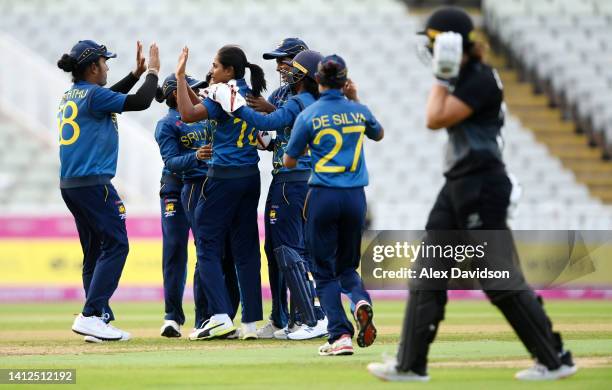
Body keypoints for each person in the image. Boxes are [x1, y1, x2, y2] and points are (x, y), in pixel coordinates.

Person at [367, 7, 577, 382]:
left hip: (482, 183)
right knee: (429, 271)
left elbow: (434, 118)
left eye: (434, 42)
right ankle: (410, 364)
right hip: (459, 184)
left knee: (498, 277)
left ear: (449, 42)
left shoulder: (479, 78)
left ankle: (554, 357)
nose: (429, 50)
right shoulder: (463, 76)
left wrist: (443, 77)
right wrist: (446, 76)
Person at [217, 47, 329, 340]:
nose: (285, 71)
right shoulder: (314, 100)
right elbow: (272, 134)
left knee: (288, 249)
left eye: (291, 66)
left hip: (292, 181)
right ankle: (308, 317)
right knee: (296, 250)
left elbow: (269, 124)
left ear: (303, 74)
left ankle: (313, 319)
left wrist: (236, 107)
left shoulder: (299, 100)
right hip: (306, 180)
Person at [57, 40, 160, 341]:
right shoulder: (93, 95)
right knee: (116, 245)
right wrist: (152, 72)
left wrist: (134, 74)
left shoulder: (73, 94)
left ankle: (97, 317)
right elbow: (140, 102)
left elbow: (108, 96)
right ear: (92, 67)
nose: (107, 67)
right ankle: (90, 315)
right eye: (104, 62)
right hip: (94, 183)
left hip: (72, 185)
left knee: (94, 252)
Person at [284, 54, 384, 355]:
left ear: (318, 80)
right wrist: (355, 99)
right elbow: (378, 133)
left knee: (323, 271)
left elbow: (289, 159)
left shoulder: (309, 115)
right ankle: (360, 299)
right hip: (355, 198)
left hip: (323, 195)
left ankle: (339, 336)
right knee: (347, 266)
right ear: (345, 81)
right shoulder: (358, 110)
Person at [175, 45, 265, 340]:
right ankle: (251, 323)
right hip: (251, 176)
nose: (211, 70)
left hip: (223, 177)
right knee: (247, 249)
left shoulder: (219, 92)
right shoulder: (249, 92)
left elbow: (188, 115)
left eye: (215, 66)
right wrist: (191, 89)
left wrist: (179, 77)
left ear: (228, 70)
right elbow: (201, 105)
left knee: (207, 244)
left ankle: (219, 316)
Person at [154, 73, 240, 338]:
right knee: (175, 250)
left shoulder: (203, 116)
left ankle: (204, 317)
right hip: (175, 189)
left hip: (203, 187)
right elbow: (171, 161)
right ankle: (172, 317)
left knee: (207, 250)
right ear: (173, 95)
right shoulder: (167, 124)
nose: (196, 93)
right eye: (190, 89)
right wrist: (195, 156)